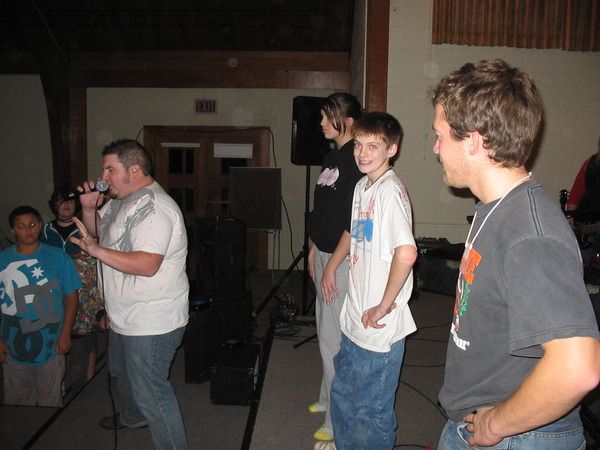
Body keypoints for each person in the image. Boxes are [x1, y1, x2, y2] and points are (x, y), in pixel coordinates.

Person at [431, 59, 600, 450]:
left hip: (518, 437)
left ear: (473, 141)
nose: (436, 148)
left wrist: (496, 424)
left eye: (440, 136)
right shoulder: (497, 209)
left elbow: (578, 367)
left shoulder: (530, 234)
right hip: (486, 425)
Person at [71, 139, 189, 450]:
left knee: (152, 393)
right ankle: (133, 416)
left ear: (134, 170)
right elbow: (99, 233)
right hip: (125, 314)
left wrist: (96, 250)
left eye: (110, 169)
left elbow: (147, 264)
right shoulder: (120, 201)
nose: (103, 177)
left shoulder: (155, 207)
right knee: (121, 372)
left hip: (151, 320)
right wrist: (88, 208)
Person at [319, 112, 417, 450]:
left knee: (370, 412)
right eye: (359, 144)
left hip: (378, 327)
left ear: (392, 149)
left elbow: (407, 253)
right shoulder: (362, 186)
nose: (362, 153)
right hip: (354, 317)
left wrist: (383, 306)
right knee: (343, 394)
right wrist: (332, 267)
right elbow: (355, 232)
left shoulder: (390, 191)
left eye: (373, 146)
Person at [307, 92, 363, 443]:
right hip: (324, 253)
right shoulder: (331, 158)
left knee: (333, 342)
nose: (322, 123)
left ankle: (335, 420)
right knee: (323, 329)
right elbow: (323, 210)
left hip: (339, 261)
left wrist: (332, 266)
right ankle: (327, 397)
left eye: (329, 117)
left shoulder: (357, 160)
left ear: (350, 121)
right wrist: (314, 248)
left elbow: (352, 223)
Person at [0, 205, 80, 406]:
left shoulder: (58, 257)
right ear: (13, 230)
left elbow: (71, 298)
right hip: (13, 341)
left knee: (50, 400)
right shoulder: (3, 260)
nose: (28, 230)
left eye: (33, 224)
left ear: (40, 225)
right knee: (17, 401)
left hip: (50, 342)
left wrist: (66, 333)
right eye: (21, 226)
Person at [41, 188, 105, 393]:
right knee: (59, 333)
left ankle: (88, 382)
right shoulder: (45, 230)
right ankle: (58, 382)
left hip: (85, 291)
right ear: (53, 205)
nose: (66, 205)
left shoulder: (85, 226)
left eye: (70, 201)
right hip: (55, 291)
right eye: (61, 201)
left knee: (86, 335)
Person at [566, 136, 600, 267]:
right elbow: (576, 192)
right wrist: (571, 217)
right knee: (583, 264)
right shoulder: (590, 165)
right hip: (586, 223)